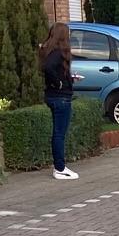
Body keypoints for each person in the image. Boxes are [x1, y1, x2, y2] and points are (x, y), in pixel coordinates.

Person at [39, 21, 78, 180]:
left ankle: (59, 166)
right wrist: (59, 83)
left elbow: (51, 69)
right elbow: (48, 68)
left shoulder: (49, 51)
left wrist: (69, 78)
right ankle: (60, 168)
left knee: (58, 133)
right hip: (60, 97)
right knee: (59, 134)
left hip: (54, 95)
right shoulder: (58, 53)